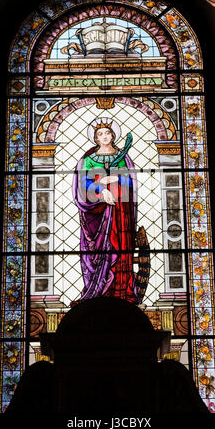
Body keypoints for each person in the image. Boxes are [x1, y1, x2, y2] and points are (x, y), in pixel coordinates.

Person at [72, 118, 139, 304]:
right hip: (96, 213)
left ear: (113, 135)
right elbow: (83, 188)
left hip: (119, 212)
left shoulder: (123, 157)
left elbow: (128, 186)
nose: (104, 136)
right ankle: (97, 290)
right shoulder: (88, 160)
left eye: (107, 133)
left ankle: (120, 290)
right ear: (95, 137)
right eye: (100, 134)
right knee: (99, 252)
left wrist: (116, 180)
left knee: (120, 247)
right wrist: (101, 186)